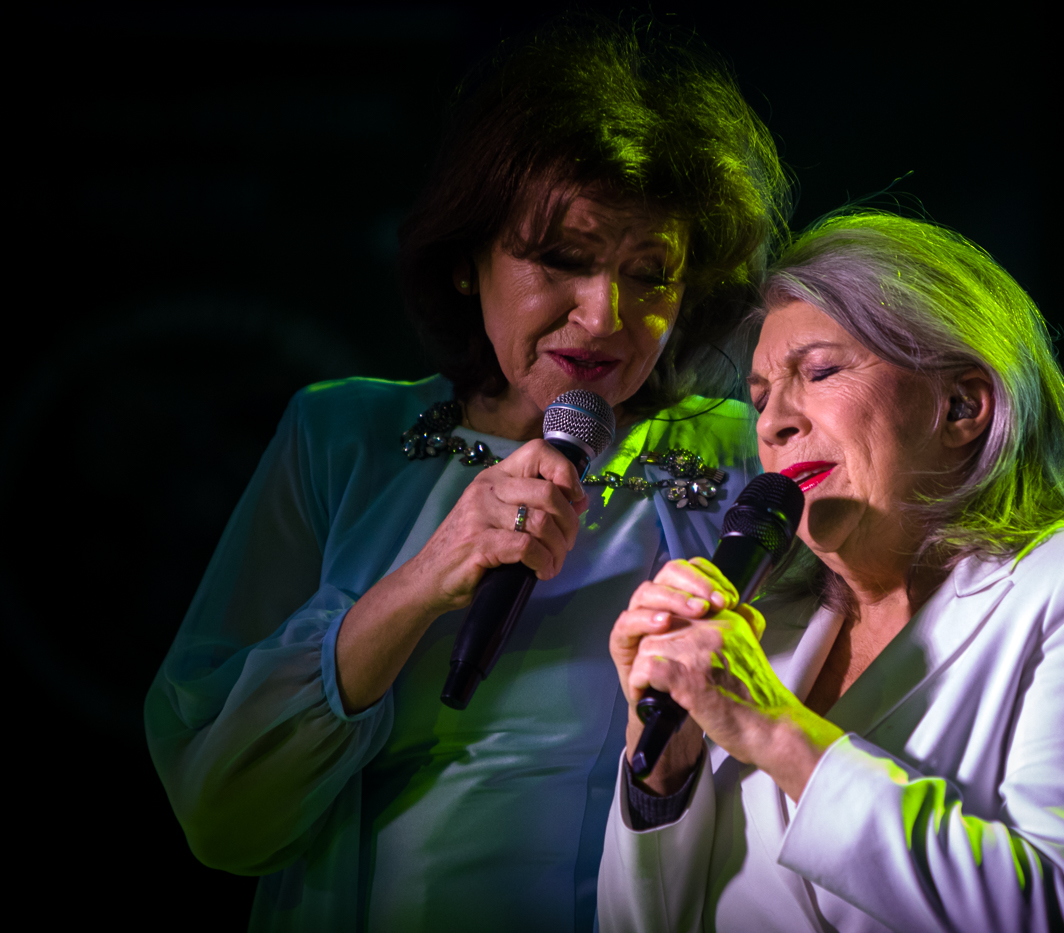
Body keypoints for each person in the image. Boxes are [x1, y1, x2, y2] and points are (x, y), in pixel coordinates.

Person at [145, 19, 787, 930]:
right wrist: (424, 576)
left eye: (652, 274)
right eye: (563, 258)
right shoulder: (342, 435)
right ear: (466, 258)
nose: (605, 314)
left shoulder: (744, 453)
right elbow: (222, 817)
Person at [600, 211, 1064, 932]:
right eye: (759, 397)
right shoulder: (762, 633)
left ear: (962, 406)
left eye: (819, 372)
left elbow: (1059, 913)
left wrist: (774, 730)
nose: (771, 422)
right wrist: (662, 776)